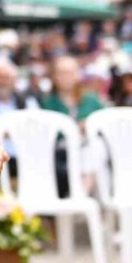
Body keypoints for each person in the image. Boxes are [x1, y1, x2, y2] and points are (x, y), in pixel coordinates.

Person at [42, 56, 105, 197]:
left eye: (70, 72)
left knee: (96, 148)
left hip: (88, 150)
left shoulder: (91, 99)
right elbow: (46, 134)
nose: (66, 77)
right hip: (60, 154)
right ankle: (80, 195)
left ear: (77, 75)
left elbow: (106, 127)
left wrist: (88, 126)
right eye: (61, 73)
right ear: (54, 77)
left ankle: (81, 193)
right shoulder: (48, 102)